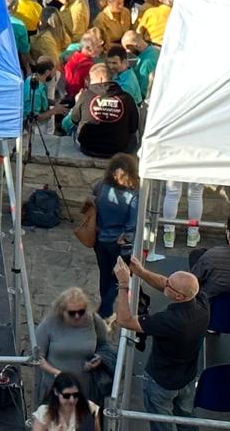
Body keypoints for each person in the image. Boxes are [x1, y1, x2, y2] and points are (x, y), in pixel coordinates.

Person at [112, 257, 208, 431]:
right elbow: (166, 284)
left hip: (161, 382)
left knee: (161, 425)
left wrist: (124, 284)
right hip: (187, 378)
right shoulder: (202, 303)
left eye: (169, 284)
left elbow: (124, 320)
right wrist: (141, 272)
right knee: (187, 420)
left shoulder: (169, 321)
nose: (165, 283)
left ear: (179, 296)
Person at [35, 287, 111, 405]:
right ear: (62, 310)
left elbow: (103, 346)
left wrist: (99, 358)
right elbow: (38, 358)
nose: (77, 316)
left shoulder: (95, 321)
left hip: (85, 390)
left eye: (81, 311)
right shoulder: (49, 325)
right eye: (72, 313)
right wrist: (58, 373)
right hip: (56, 389)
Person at [90, 153, 138, 318]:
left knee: (104, 276)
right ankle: (105, 311)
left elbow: (92, 200)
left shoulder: (101, 185)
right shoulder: (134, 194)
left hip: (100, 239)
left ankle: (104, 307)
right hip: (119, 242)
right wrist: (127, 238)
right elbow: (132, 224)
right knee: (117, 278)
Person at [33, 370, 97, 431]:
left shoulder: (90, 408)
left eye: (76, 395)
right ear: (56, 392)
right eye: (66, 396)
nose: (72, 400)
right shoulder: (44, 413)